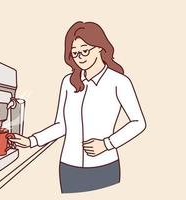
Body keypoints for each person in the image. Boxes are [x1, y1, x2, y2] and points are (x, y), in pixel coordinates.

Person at [9, 21, 146, 193]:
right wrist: (31, 141)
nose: (80, 57)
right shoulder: (68, 82)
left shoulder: (119, 82)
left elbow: (138, 122)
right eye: (74, 53)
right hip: (69, 166)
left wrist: (107, 144)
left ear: (100, 48)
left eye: (84, 51)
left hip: (104, 165)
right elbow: (61, 125)